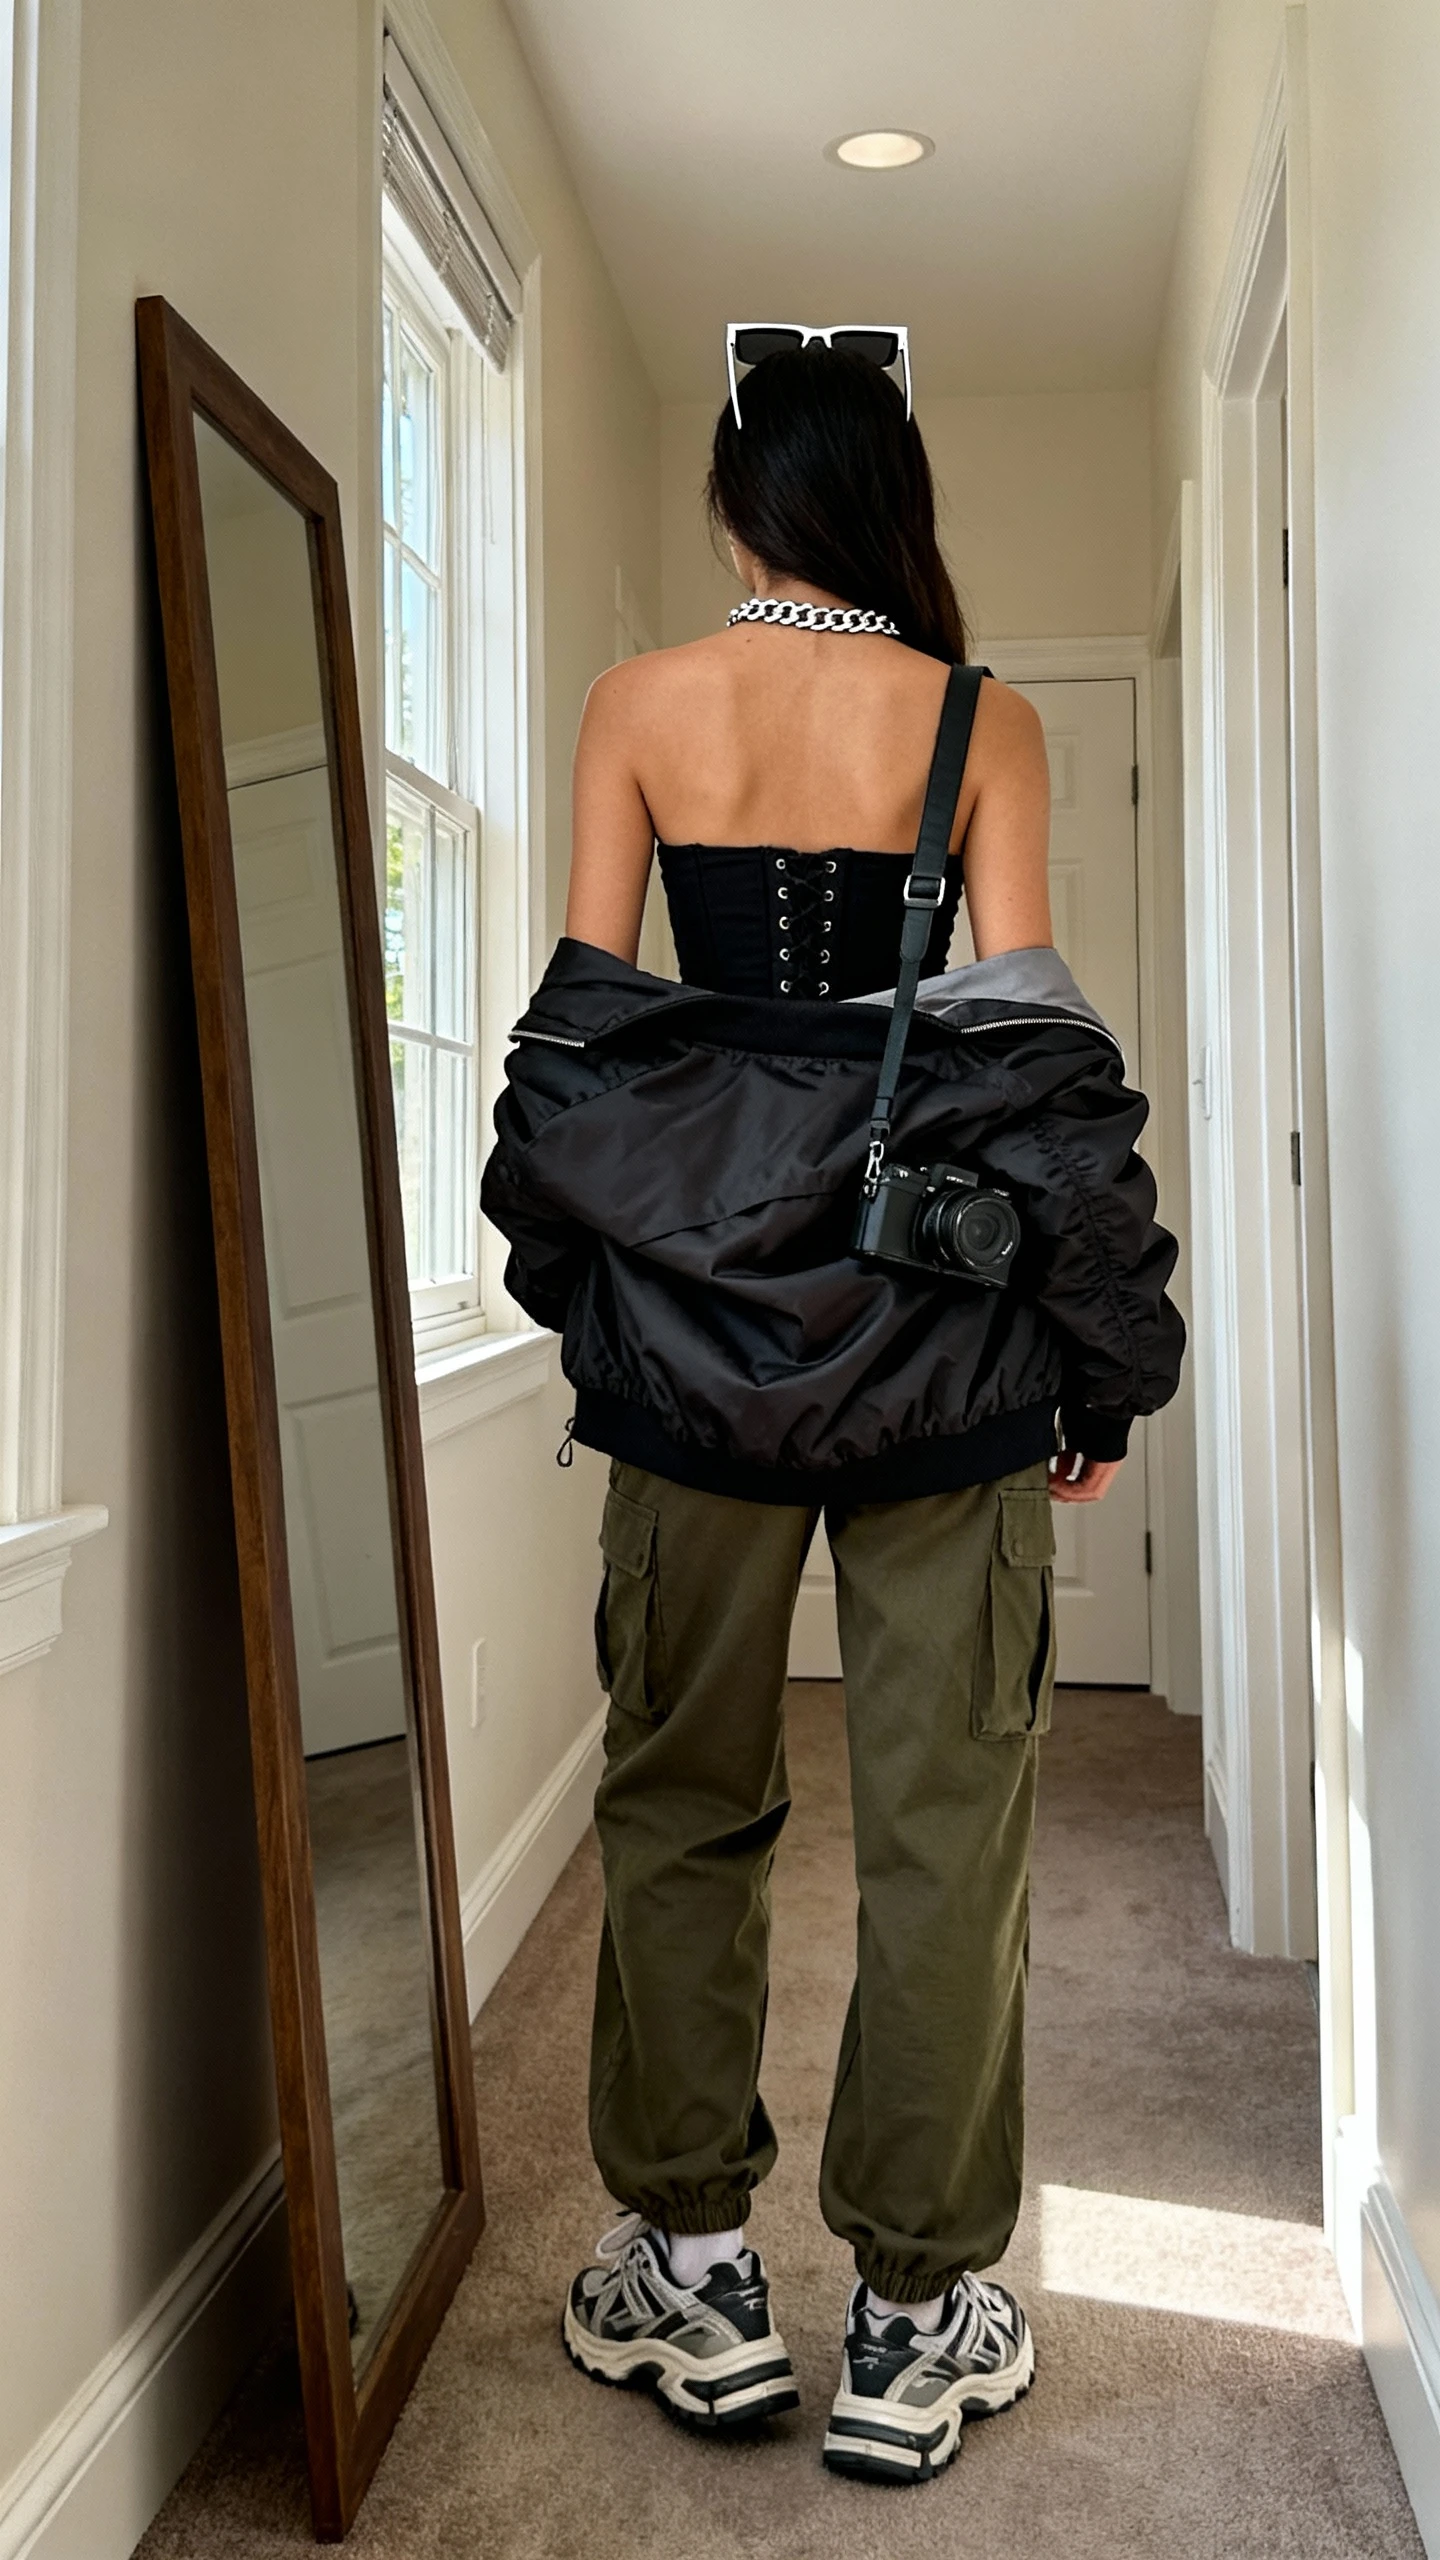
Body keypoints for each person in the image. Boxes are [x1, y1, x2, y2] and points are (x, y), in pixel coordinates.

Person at [481, 336, 1184, 2486]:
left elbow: (577, 1061)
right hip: (943, 1348)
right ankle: (908, 2310)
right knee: (950, 1823)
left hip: (692, 1355)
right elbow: (1035, 1071)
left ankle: (689, 2271)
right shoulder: (985, 720)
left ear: (733, 508)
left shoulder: (639, 707)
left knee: (680, 1798)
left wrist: (603, 1293)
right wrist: (1103, 1359)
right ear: (890, 502)